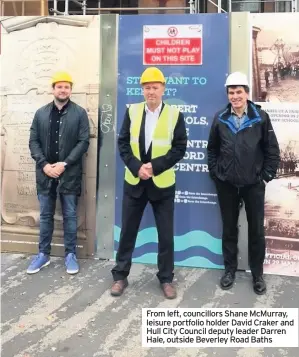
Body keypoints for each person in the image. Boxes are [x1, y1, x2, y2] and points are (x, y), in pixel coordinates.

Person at [111, 67, 187, 299]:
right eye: (146, 88)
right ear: (141, 90)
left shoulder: (175, 115)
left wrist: (154, 166)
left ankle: (166, 278)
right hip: (135, 182)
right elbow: (123, 143)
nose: (151, 91)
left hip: (162, 184)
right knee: (127, 232)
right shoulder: (132, 112)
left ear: (163, 88)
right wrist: (137, 167)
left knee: (165, 235)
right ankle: (120, 276)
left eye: (155, 87)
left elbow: (179, 148)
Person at [207, 72, 280, 295]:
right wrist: (217, 174)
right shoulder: (220, 118)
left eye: (239, 92)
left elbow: (272, 151)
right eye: (231, 92)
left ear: (247, 93)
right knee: (229, 229)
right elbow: (212, 150)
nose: (235, 96)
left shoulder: (261, 117)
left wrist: (265, 176)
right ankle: (229, 269)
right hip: (227, 184)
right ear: (227, 95)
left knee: (256, 230)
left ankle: (257, 274)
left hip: (253, 185)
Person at [27, 72, 90, 275]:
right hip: (45, 174)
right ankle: (43, 255)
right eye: (59, 86)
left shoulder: (79, 113)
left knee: (70, 215)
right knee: (45, 215)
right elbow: (33, 142)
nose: (63, 90)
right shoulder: (41, 113)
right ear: (53, 89)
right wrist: (44, 165)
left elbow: (83, 142)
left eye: (67, 87)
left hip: (68, 173)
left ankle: (70, 255)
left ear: (70, 90)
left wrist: (65, 163)